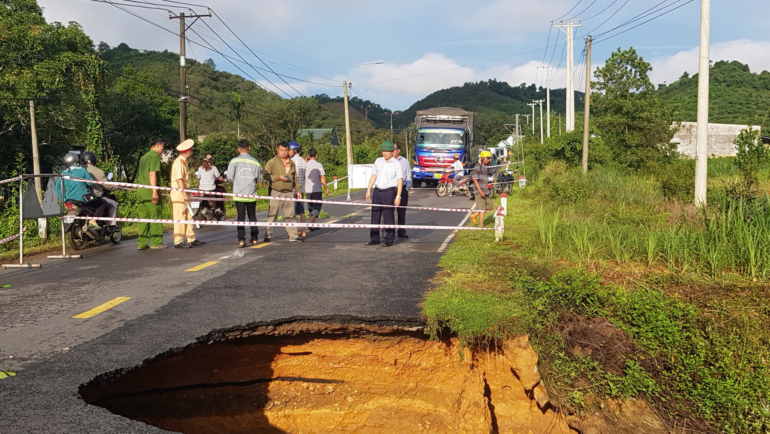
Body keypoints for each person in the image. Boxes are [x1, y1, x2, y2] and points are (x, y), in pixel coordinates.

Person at [263, 141, 304, 243]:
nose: (284, 153)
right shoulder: (272, 162)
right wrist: (278, 178)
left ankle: (293, 236)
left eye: (286, 150)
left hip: (289, 192)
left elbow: (295, 178)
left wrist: (298, 190)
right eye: (282, 150)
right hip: (276, 192)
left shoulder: (292, 163)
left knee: (290, 215)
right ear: (277, 150)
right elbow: (265, 175)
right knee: (272, 214)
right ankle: (268, 235)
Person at [365, 141, 403, 247]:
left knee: (388, 216)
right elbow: (374, 175)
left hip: (389, 191)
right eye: (383, 151)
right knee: (375, 215)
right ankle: (374, 238)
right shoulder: (378, 161)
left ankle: (389, 239)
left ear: (392, 151)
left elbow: (400, 180)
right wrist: (368, 190)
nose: (385, 153)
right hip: (377, 191)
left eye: (387, 151)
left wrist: (398, 196)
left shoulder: (397, 164)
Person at [226, 139, 262, 247]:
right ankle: (254, 238)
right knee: (252, 217)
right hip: (251, 194)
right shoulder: (255, 162)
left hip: (239, 194)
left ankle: (241, 240)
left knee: (240, 218)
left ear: (238, 149)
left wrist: (236, 181)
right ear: (249, 148)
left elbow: (229, 177)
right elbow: (258, 178)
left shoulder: (234, 161)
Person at [55, 152, 105, 229]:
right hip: (83, 199)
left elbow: (57, 187)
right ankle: (93, 220)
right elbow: (90, 184)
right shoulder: (82, 170)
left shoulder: (64, 173)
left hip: (69, 200)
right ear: (76, 160)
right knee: (102, 204)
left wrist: (63, 199)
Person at [170, 139, 205, 248]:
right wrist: (184, 194)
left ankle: (191, 238)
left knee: (188, 216)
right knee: (180, 217)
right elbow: (180, 180)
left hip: (184, 192)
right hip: (179, 192)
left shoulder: (183, 162)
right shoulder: (178, 163)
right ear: (189, 152)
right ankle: (178, 241)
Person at [135, 138, 166, 250]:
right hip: (150, 191)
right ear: (158, 145)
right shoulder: (154, 156)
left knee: (143, 218)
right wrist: (155, 191)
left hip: (141, 190)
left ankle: (142, 243)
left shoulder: (144, 157)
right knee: (155, 216)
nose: (163, 149)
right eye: (162, 146)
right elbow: (152, 173)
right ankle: (156, 242)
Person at [81, 151, 118, 226]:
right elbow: (107, 185)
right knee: (114, 204)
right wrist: (115, 187)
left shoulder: (78, 170)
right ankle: (112, 226)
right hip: (95, 197)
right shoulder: (98, 171)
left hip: (80, 198)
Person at [304, 147, 330, 230]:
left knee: (310, 207)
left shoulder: (305, 165)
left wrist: (306, 158)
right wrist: (326, 188)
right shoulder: (319, 165)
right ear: (316, 155)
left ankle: (313, 225)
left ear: (308, 155)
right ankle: (311, 221)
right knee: (317, 206)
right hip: (317, 189)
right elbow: (322, 177)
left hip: (307, 189)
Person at [195, 154, 225, 219]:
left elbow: (199, 178)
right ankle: (216, 209)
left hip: (201, 189)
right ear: (210, 161)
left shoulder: (200, 168)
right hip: (210, 189)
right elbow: (219, 178)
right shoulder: (214, 168)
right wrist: (224, 180)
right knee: (216, 198)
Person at [470, 150, 495, 227]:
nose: (489, 160)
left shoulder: (485, 167)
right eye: (487, 158)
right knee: (482, 209)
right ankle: (481, 227)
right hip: (479, 191)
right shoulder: (477, 166)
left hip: (486, 191)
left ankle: (474, 215)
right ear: (483, 158)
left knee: (490, 206)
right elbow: (474, 179)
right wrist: (480, 191)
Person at [393, 142, 412, 239]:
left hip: (403, 188)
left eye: (394, 149)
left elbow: (408, 175)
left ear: (398, 150)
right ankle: (387, 230)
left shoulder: (404, 161)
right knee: (388, 210)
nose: (391, 152)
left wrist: (407, 187)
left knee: (401, 211)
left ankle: (401, 230)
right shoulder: (387, 161)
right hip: (391, 189)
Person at [288, 142, 307, 237]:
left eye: (289, 150)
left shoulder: (292, 161)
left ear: (294, 150)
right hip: (301, 190)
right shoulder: (303, 161)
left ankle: (292, 231)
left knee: (291, 211)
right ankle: (303, 230)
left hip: (293, 189)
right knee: (301, 211)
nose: (288, 152)